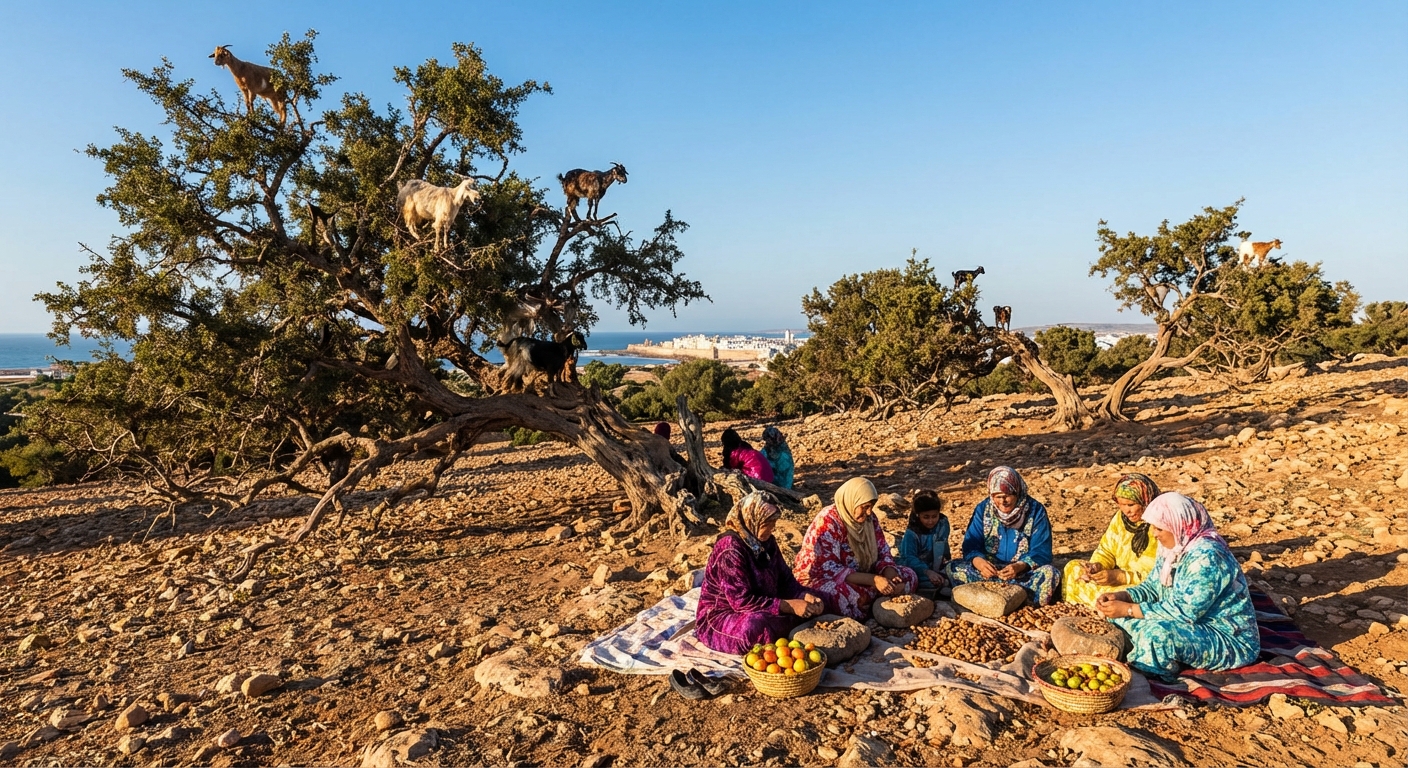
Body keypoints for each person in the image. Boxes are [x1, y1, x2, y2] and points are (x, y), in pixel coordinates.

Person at [1097, 492, 1260, 681]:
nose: (1153, 533)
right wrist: (1123, 597)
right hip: (1183, 620)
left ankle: (1153, 669)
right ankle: (1148, 651)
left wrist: (1129, 609)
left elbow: (1185, 612)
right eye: (1152, 527)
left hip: (1226, 636)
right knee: (1116, 618)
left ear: (1179, 525)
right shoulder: (1172, 548)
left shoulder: (1207, 557)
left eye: (1159, 528)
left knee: (1157, 635)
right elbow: (1152, 588)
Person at [694, 491, 825, 654]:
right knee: (756, 626)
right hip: (724, 615)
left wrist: (803, 595)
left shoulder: (767, 542)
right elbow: (740, 602)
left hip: (765, 603)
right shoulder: (730, 549)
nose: (773, 528)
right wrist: (789, 606)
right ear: (752, 520)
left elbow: (785, 580)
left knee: (819, 599)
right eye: (767, 523)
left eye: (773, 522)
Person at [794, 477, 918, 620]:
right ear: (852, 501)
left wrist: (890, 575)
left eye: (871, 506)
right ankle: (873, 605)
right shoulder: (828, 522)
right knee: (840, 596)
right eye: (865, 507)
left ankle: (876, 603)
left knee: (909, 575)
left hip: (864, 575)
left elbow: (883, 552)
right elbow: (827, 568)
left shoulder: (870, 520)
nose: (869, 512)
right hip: (823, 578)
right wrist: (874, 580)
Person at [942, 466, 1059, 606]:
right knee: (953, 567)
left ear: (1017, 492)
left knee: (1050, 573)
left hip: (1022, 573)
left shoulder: (1035, 510)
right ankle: (1011, 598)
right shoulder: (983, 509)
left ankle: (1016, 597)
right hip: (989, 571)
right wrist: (980, 563)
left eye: (1007, 496)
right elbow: (971, 543)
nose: (1002, 501)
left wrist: (1019, 566)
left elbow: (1042, 549)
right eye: (997, 497)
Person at [1061, 473, 1161, 607]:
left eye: (1131, 504)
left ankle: (1104, 607)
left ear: (1146, 501)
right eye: (1121, 505)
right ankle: (1093, 606)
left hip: (1142, 585)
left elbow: (1159, 576)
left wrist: (1121, 577)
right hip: (1113, 577)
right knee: (1072, 568)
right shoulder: (1121, 519)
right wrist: (1097, 566)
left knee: (1124, 595)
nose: (1127, 511)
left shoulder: (1161, 526)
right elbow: (1106, 550)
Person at [897, 490, 950, 597]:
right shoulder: (912, 533)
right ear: (918, 515)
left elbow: (943, 546)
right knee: (908, 577)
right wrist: (927, 572)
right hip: (917, 569)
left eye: (934, 516)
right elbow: (909, 557)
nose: (931, 521)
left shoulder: (943, 523)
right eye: (926, 517)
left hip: (937, 566)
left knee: (956, 569)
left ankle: (941, 583)